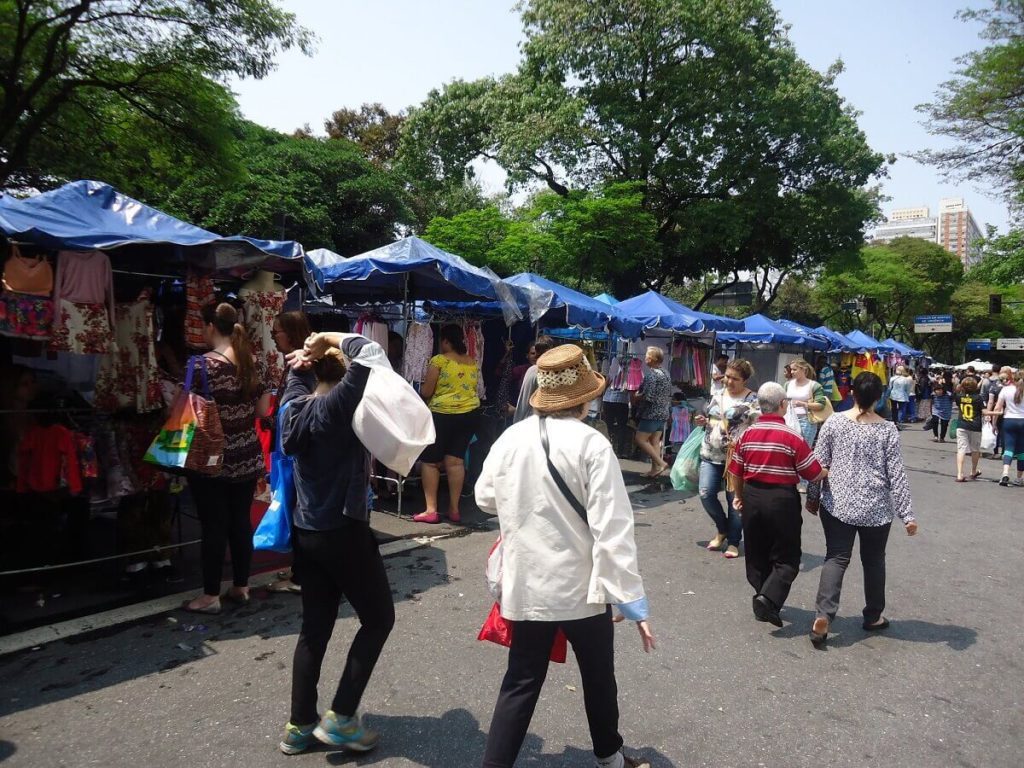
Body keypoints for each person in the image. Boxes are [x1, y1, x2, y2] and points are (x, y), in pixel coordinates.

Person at [475, 344, 653, 768]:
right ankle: (609, 756)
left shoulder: (512, 437)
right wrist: (631, 599)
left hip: (527, 584)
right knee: (597, 676)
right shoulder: (592, 444)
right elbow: (613, 526)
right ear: (586, 396)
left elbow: (484, 497)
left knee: (520, 682)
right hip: (581, 591)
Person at [277, 332, 395, 755]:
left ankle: (299, 725)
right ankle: (342, 716)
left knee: (315, 627)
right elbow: (370, 353)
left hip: (306, 533)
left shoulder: (293, 407)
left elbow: (293, 375)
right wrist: (327, 338)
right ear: (342, 375)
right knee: (379, 619)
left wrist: (303, 358)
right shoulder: (336, 406)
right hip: (343, 532)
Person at [806, 372, 918, 646]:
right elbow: (897, 475)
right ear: (879, 398)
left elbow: (818, 464)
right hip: (875, 508)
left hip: (837, 504)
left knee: (836, 557)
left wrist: (812, 496)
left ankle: (824, 616)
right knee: (874, 560)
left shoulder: (834, 422)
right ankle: (873, 616)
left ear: (852, 393)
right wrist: (907, 515)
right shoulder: (887, 430)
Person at [182, 302, 272, 615]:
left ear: (209, 326)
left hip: (212, 459)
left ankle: (210, 595)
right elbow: (262, 412)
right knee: (239, 523)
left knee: (213, 526)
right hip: (247, 453)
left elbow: (187, 414)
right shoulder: (253, 363)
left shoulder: (200, 366)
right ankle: (241, 586)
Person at [729, 383, 826, 627]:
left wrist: (738, 496)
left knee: (756, 551)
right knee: (787, 555)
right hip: (782, 499)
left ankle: (763, 598)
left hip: (752, 497)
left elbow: (736, 472)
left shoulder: (746, 435)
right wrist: (827, 470)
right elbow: (811, 471)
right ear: (782, 405)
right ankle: (767, 599)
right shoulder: (792, 436)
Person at [414, 324, 481, 524]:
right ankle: (454, 509)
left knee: (431, 462)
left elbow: (426, 392)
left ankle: (431, 510)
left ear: (445, 340)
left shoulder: (439, 361)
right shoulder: (471, 362)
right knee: (456, 462)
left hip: (443, 415)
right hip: (469, 414)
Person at [695, 359, 759, 559]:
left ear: (745, 380)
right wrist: (701, 420)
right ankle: (722, 529)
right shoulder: (717, 395)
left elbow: (757, 428)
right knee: (705, 493)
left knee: (735, 501)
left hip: (737, 460)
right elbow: (708, 416)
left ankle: (733, 541)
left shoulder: (753, 400)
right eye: (727, 376)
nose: (729, 381)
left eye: (735, 379)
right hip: (710, 453)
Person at [267, 310, 312, 595]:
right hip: (298, 453)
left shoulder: (302, 366)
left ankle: (300, 575)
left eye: (277, 332)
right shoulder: (302, 362)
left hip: (296, 455)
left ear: (292, 333)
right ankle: (301, 568)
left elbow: (297, 410)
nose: (273, 337)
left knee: (296, 510)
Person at [632, 346, 672, 477]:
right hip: (663, 412)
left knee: (640, 439)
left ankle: (660, 463)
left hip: (651, 412)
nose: (645, 358)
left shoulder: (651, 374)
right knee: (655, 441)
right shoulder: (665, 373)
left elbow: (647, 396)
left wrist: (636, 397)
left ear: (653, 359)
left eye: (648, 356)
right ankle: (655, 469)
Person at [985, 369, 1024, 487]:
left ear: (1013, 378)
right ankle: (1019, 478)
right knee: (1022, 451)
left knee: (1008, 448)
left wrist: (994, 423)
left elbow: (997, 408)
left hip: (1009, 420)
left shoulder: (1006, 390)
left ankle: (1005, 473)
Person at [511, 335, 556, 423]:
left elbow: (523, 401)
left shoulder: (532, 370)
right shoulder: (542, 371)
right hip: (536, 421)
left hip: (527, 419)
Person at [785, 359, 828, 449]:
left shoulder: (814, 385)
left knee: (803, 449)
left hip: (807, 421)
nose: (792, 372)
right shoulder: (787, 385)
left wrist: (803, 404)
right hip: (789, 419)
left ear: (803, 370)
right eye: (791, 369)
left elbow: (821, 405)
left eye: (795, 369)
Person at [954, 377, 985, 482]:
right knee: (975, 449)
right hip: (975, 425)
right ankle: (973, 470)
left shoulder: (959, 397)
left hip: (962, 424)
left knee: (961, 449)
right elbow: (984, 411)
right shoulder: (978, 398)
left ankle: (959, 473)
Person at [931, 372, 953, 443]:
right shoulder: (933, 395)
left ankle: (942, 437)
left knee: (944, 424)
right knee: (935, 421)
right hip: (936, 410)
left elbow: (954, 399)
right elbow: (931, 402)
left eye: (940, 390)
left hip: (946, 411)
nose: (938, 392)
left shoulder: (949, 395)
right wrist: (930, 411)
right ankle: (935, 436)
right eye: (937, 390)